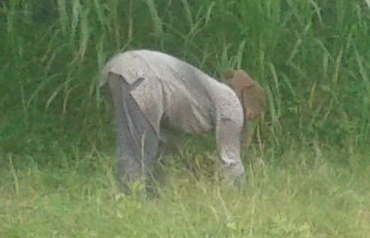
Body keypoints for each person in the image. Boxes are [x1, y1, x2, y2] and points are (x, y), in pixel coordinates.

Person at [100, 50, 266, 190]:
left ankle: (150, 199)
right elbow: (230, 161)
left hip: (120, 68)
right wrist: (241, 192)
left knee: (154, 150)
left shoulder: (211, 92)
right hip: (144, 77)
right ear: (250, 112)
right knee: (139, 150)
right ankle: (130, 200)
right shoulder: (231, 103)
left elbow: (167, 141)